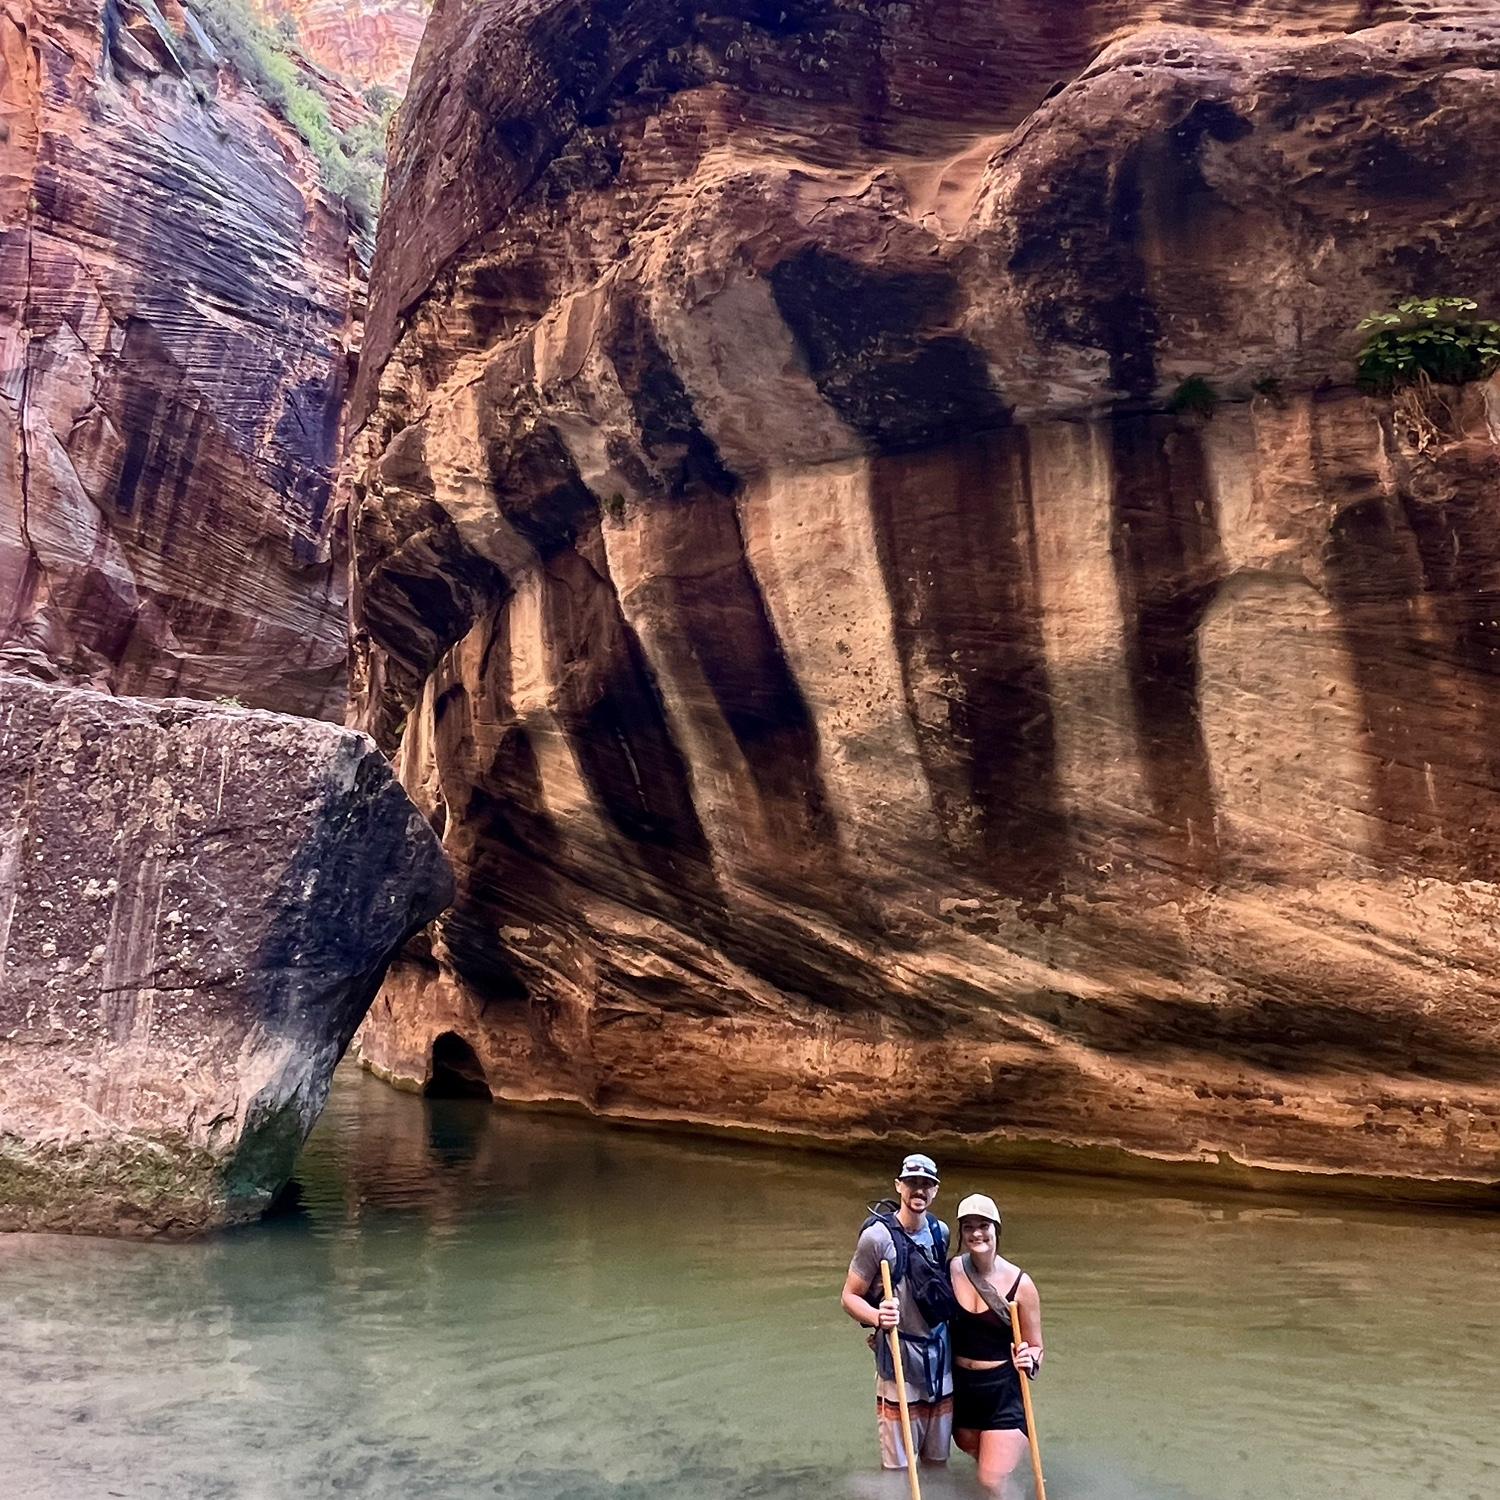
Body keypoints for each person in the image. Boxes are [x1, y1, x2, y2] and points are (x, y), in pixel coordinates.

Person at [840, 1153, 954, 1472]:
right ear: (898, 1186)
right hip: (898, 1358)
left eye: (926, 1184)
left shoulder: (940, 1232)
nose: (919, 1190)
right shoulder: (876, 1238)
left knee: (937, 1461)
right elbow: (849, 1297)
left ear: (935, 1190)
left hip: (940, 1359)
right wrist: (877, 1317)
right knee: (898, 1467)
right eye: (912, 1182)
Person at [948, 1192, 1043, 1497]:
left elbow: (1036, 1345)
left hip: (1002, 1393)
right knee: (985, 1473)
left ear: (996, 1229)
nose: (976, 1233)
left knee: (991, 1480)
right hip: (962, 1391)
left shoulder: (1021, 1284)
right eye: (968, 1227)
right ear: (961, 1233)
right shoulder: (951, 1271)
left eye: (983, 1226)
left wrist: (1031, 1359)